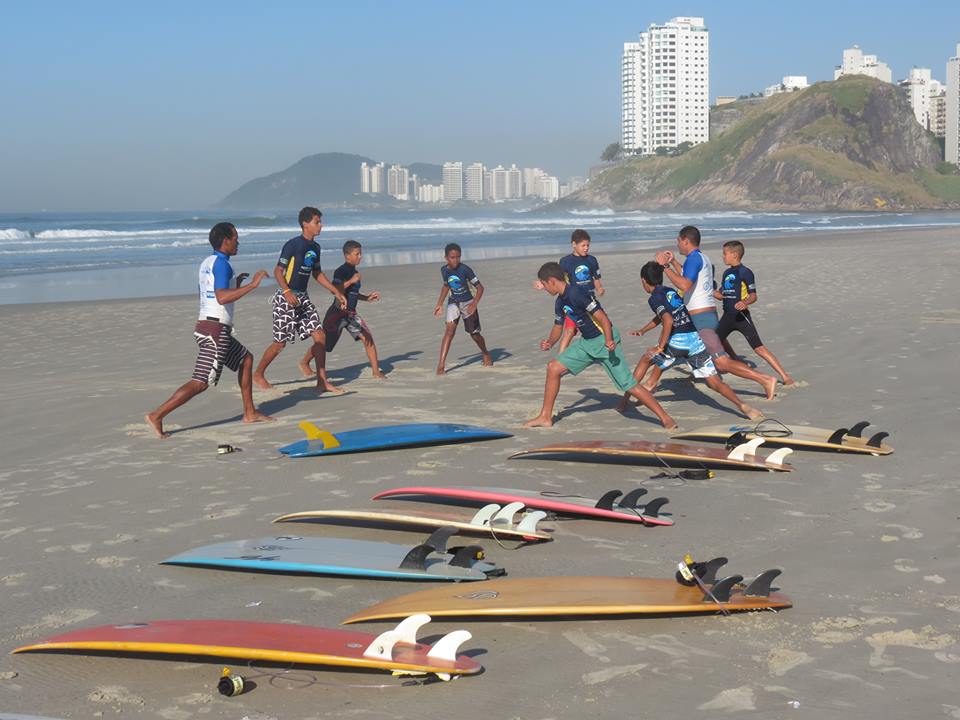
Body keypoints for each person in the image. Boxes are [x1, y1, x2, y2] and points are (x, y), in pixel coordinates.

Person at [145, 222, 274, 439]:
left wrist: (236, 282)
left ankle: (250, 412)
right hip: (215, 330)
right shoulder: (222, 264)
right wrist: (252, 285)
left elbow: (207, 291)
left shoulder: (207, 262)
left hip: (208, 325)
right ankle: (157, 415)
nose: (238, 242)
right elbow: (221, 297)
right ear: (225, 240)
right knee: (200, 382)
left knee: (245, 359)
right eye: (235, 238)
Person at [524, 261, 677, 429]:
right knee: (553, 368)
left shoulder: (577, 293)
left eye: (544, 285)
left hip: (604, 339)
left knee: (628, 384)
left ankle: (665, 417)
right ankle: (545, 417)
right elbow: (558, 326)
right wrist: (550, 342)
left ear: (551, 281)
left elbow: (603, 317)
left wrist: (609, 340)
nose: (544, 289)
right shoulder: (560, 302)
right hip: (587, 343)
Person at [618, 262, 763, 420]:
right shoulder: (670, 291)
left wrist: (660, 347)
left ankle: (624, 402)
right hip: (695, 341)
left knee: (646, 359)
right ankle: (742, 405)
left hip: (679, 343)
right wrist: (644, 330)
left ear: (644, 281)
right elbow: (664, 316)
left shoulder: (654, 298)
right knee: (715, 382)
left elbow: (667, 320)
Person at [656, 226, 778, 400]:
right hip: (705, 316)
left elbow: (684, 284)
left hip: (702, 319)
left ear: (686, 240)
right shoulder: (701, 258)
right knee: (687, 352)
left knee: (721, 362)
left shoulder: (693, 259)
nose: (677, 245)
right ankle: (654, 382)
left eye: (678, 242)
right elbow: (687, 275)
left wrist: (664, 267)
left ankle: (765, 379)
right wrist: (673, 262)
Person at [253, 207, 346, 393]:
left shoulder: (315, 247)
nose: (320, 225)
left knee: (320, 336)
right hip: (286, 298)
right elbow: (278, 271)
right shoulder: (293, 245)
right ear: (305, 224)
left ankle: (322, 381)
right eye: (316, 222)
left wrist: (335, 291)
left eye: (320, 221)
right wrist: (287, 291)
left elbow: (317, 273)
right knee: (280, 343)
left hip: (303, 298)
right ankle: (258, 374)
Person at [299, 240, 386, 380]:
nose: (360, 257)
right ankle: (304, 362)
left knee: (368, 338)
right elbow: (335, 291)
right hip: (337, 314)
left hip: (351, 314)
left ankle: (376, 371)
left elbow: (353, 294)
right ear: (347, 256)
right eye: (357, 254)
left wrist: (367, 298)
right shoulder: (341, 271)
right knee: (324, 344)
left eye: (360, 254)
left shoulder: (354, 272)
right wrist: (351, 281)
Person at [714, 241, 794, 385]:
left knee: (759, 348)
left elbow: (753, 296)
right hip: (727, 317)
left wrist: (745, 303)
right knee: (712, 344)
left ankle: (785, 376)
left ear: (734, 254)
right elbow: (721, 294)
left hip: (741, 317)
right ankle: (705, 373)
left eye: (724, 254)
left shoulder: (745, 272)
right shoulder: (727, 272)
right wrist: (706, 291)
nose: (723, 256)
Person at [433, 243, 493, 374]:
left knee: (474, 334)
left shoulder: (465, 269)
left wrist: (474, 303)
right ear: (446, 258)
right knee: (449, 331)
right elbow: (446, 286)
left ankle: (485, 353)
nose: (456, 260)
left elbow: (480, 288)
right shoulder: (444, 270)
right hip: (453, 302)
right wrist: (439, 304)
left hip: (468, 303)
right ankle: (441, 365)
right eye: (452, 257)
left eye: (458, 257)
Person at [556, 228, 604, 353]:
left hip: (589, 300)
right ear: (574, 244)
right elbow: (559, 281)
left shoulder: (592, 260)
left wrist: (599, 288)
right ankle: (560, 358)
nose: (586, 248)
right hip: (573, 301)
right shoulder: (565, 261)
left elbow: (596, 277)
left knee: (600, 325)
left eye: (588, 245)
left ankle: (600, 348)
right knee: (569, 331)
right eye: (583, 245)